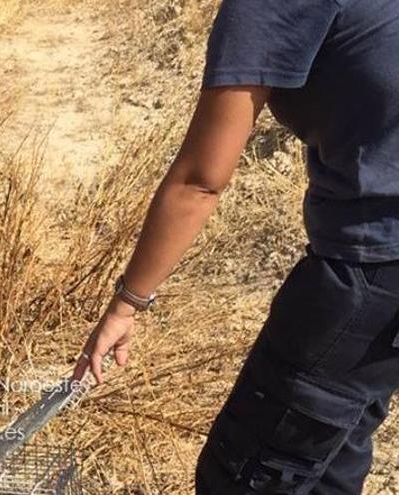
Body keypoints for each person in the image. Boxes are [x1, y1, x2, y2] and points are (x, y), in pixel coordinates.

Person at [72, 0, 399, 493]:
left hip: (368, 270)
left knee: (242, 476)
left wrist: (128, 303)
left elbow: (200, 181)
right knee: (330, 459)